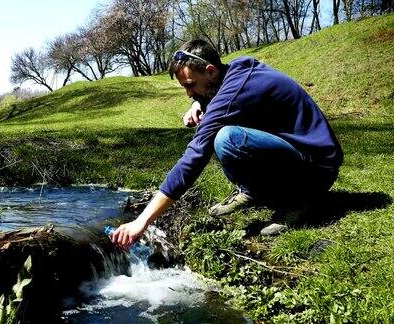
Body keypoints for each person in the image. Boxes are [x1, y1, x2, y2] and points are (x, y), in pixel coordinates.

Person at [112, 39, 343, 249]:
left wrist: (141, 221)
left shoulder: (232, 94)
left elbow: (193, 158)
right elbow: (222, 94)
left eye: (190, 85)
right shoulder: (236, 70)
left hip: (317, 169)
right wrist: (199, 103)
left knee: (227, 139)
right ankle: (255, 192)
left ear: (211, 71)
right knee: (226, 136)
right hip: (306, 153)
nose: (188, 93)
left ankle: (300, 202)